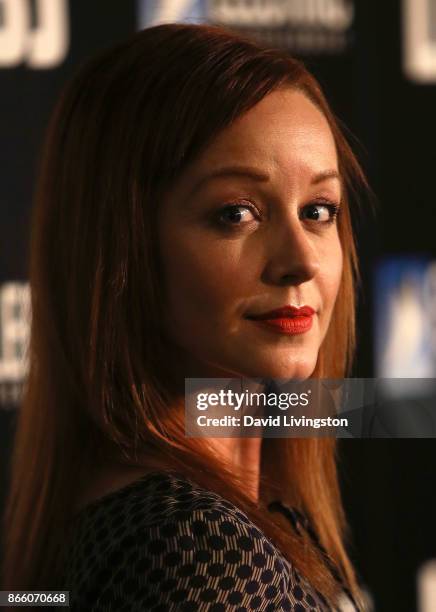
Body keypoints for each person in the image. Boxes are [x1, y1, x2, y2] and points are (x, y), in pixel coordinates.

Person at [1, 23, 369, 611]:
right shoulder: (197, 549)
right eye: (236, 213)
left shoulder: (176, 525)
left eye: (318, 210)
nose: (300, 260)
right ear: (121, 245)